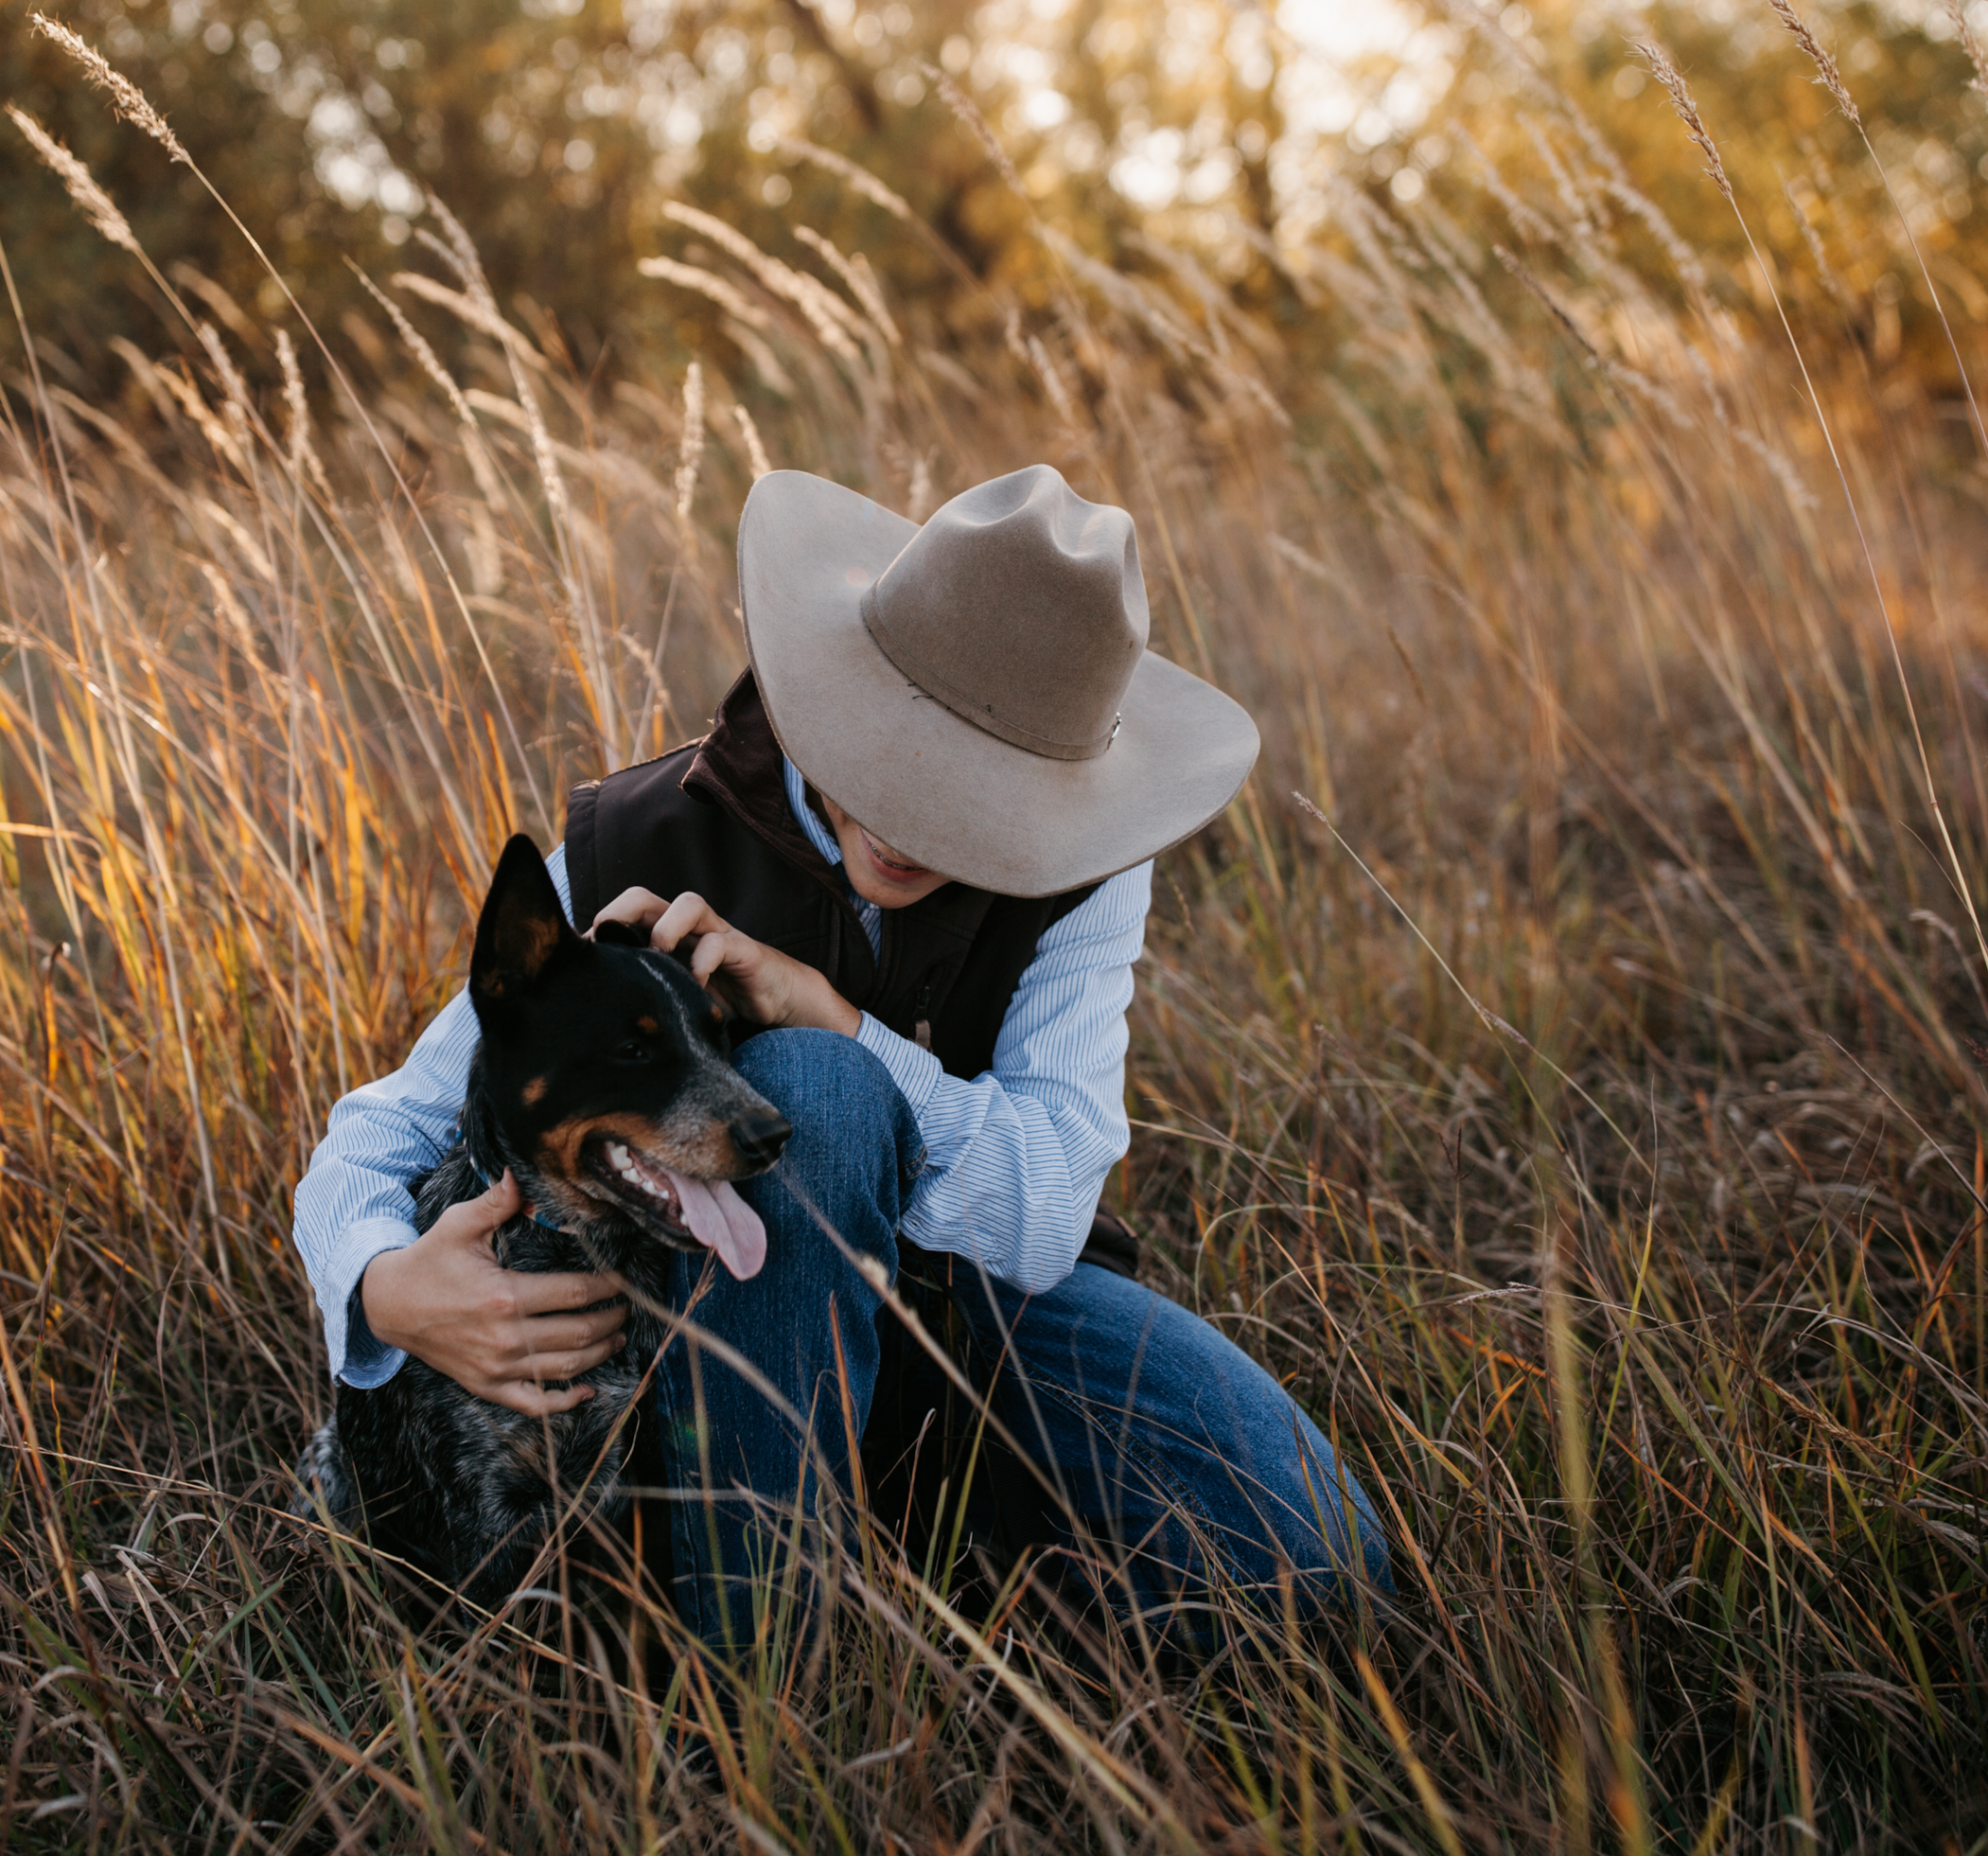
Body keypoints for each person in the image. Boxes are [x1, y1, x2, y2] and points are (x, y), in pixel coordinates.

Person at [293, 463, 1388, 1648]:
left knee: (1316, 1567)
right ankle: (760, 1663)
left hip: (969, 1303)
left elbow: (1049, 1207)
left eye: (981, 796)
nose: (916, 826)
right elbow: (382, 1130)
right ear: (835, 691)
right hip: (711, 1314)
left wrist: (840, 1022)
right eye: (896, 759)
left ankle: (933, 1559)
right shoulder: (634, 842)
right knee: (815, 1098)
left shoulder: (1087, 871)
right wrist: (382, 1288)